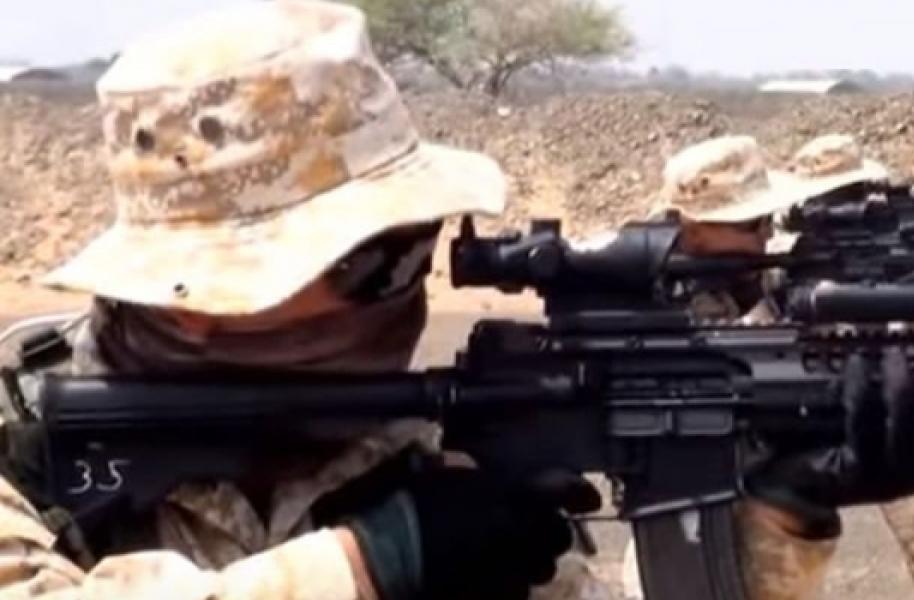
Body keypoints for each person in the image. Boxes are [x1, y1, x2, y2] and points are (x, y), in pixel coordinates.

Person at [0, 2, 603, 599]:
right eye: (378, 260)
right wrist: (366, 564)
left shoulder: (434, 461)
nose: (412, 280)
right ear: (200, 298)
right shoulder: (23, 454)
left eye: (421, 241)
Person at [619, 135, 914, 600]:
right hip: (690, 515)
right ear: (691, 227)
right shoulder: (643, 297)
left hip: (746, 515)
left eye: (767, 219)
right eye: (751, 223)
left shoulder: (756, 276)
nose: (764, 236)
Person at [783, 133, 914, 600]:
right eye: (828, 198)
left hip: (892, 399)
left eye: (848, 195)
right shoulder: (783, 245)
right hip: (799, 403)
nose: (838, 209)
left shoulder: (900, 232)